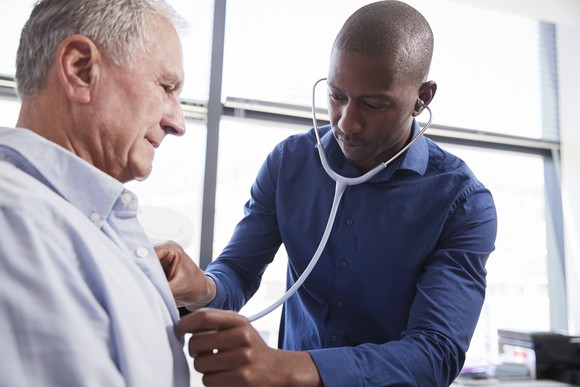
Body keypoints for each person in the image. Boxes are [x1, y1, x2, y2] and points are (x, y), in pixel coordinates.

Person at [157, 1, 498, 386]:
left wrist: (288, 367)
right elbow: (236, 273)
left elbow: (436, 353)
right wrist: (200, 285)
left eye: (373, 104)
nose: (347, 122)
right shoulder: (290, 162)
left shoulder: (463, 203)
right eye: (337, 96)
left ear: (423, 97)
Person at [0, 1, 191, 386]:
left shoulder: (85, 223)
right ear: (80, 70)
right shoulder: (16, 224)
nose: (177, 123)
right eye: (166, 88)